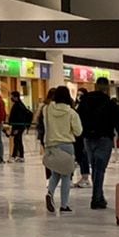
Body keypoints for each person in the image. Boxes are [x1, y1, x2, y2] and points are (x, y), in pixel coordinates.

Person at [76, 77, 119, 210]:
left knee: (95, 167)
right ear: (107, 88)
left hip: (88, 138)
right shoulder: (110, 103)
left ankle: (99, 196)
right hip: (104, 138)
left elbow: (77, 118)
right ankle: (96, 198)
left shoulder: (85, 101)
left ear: (96, 86)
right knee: (100, 169)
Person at [40, 85, 84, 213]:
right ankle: (64, 205)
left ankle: (50, 193)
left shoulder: (47, 110)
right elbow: (78, 131)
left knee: (55, 173)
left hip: (51, 145)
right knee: (66, 175)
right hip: (66, 146)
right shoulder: (71, 112)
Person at [8, 90, 33, 160]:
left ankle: (14, 156)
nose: (11, 98)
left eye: (12, 96)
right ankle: (20, 155)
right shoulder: (20, 104)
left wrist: (16, 128)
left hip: (18, 126)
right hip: (19, 126)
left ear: (16, 97)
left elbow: (19, 117)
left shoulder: (18, 106)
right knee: (18, 140)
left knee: (17, 140)